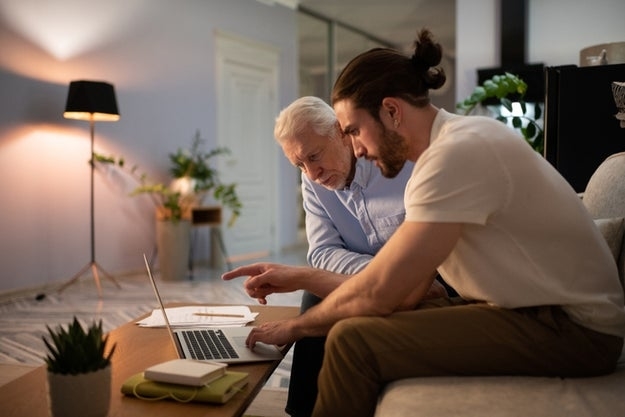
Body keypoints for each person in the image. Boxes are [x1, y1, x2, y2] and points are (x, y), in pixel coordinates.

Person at [223, 29, 625, 417]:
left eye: (354, 131)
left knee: (352, 342)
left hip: (575, 329)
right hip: (523, 311)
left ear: (392, 111)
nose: (357, 148)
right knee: (348, 328)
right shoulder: (447, 147)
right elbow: (409, 289)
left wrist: (295, 329)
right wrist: (305, 278)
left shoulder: (454, 154)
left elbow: (388, 292)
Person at [272, 96, 447, 416]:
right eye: (300, 164)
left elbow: (430, 248)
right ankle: (303, 411)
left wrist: (395, 279)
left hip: (430, 277)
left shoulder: (401, 163)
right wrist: (381, 277)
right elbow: (323, 252)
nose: (311, 173)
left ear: (341, 133)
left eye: (314, 156)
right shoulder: (314, 181)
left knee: (322, 293)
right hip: (382, 278)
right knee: (317, 294)